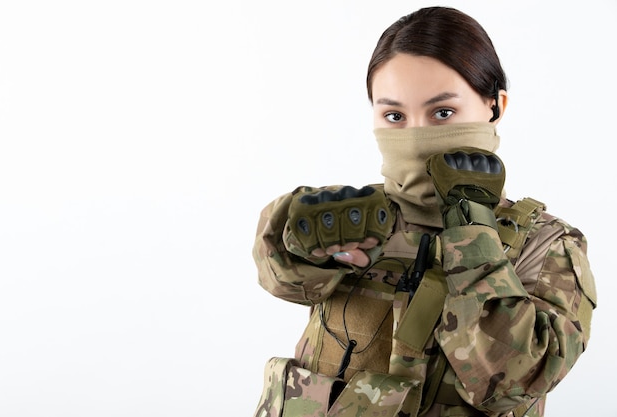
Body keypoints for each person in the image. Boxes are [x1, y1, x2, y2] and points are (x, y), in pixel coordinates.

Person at [251, 6, 596, 417]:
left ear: (495, 106)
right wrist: (291, 235)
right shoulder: (353, 217)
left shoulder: (547, 245)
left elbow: (514, 382)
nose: (416, 136)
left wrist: (473, 236)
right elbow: (283, 279)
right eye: (394, 115)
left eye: (443, 113)